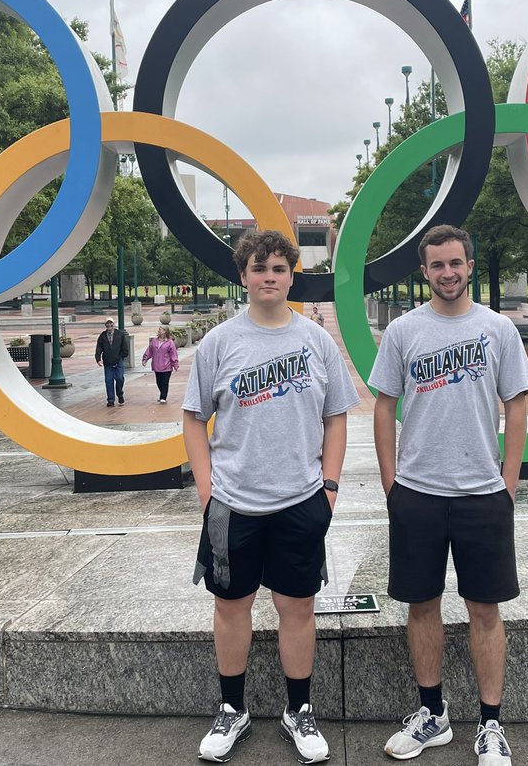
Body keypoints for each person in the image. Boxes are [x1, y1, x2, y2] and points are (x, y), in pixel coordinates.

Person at [183, 229, 359, 764]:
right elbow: (193, 419)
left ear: (291, 276)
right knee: (231, 606)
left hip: (301, 499)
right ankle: (232, 709)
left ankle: (298, 710)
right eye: (259, 269)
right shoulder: (220, 342)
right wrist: (207, 487)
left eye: (279, 269)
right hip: (234, 503)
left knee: (296, 607)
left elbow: (336, 418)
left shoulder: (315, 340)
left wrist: (328, 487)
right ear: (244, 276)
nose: (269, 278)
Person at [369, 224, 528, 766]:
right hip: (417, 491)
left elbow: (516, 406)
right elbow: (383, 405)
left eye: (456, 263)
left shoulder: (497, 329)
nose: (448, 272)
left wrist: (508, 484)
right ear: (425, 272)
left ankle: (490, 725)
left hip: (482, 494)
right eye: (437, 265)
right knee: (422, 605)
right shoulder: (403, 331)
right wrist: (391, 482)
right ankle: (432, 714)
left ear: (469, 265)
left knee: (484, 609)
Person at [94, 318, 129, 407]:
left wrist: (122, 356)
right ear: (105, 325)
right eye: (107, 323)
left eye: (111, 323)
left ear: (114, 324)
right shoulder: (102, 336)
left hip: (118, 361)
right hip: (108, 362)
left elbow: (125, 347)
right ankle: (110, 400)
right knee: (109, 381)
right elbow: (99, 348)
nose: (109, 325)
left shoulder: (119, 334)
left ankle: (119, 393)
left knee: (119, 378)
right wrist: (98, 359)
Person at [142, 325, 180, 404]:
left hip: (167, 366)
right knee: (158, 382)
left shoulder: (170, 343)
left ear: (165, 331)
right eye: (159, 329)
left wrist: (175, 364)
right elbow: (149, 351)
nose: (159, 331)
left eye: (160, 329)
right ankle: (162, 394)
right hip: (157, 366)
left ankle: (163, 397)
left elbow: (173, 354)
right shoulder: (154, 341)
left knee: (165, 382)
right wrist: (145, 359)